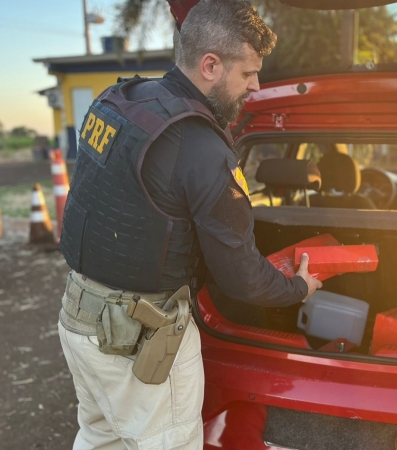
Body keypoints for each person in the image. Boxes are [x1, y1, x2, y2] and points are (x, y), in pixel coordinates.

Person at [56, 1, 322, 448]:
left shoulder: (121, 100)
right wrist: (300, 287)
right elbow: (241, 279)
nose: (255, 86)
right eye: (248, 74)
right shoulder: (201, 149)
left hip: (78, 317)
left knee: (101, 437)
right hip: (138, 339)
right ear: (211, 65)